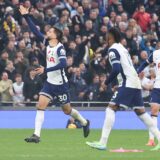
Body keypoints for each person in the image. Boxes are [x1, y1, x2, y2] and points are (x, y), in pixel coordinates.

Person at [19, 5, 90, 143]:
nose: (48, 32)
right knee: (40, 106)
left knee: (67, 110)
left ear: (56, 35)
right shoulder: (47, 43)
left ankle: (85, 122)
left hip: (61, 84)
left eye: (50, 31)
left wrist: (46, 70)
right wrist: (26, 16)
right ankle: (36, 135)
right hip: (49, 83)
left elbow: (63, 65)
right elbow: (35, 31)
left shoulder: (60, 48)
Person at [86, 27, 160, 151]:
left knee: (110, 108)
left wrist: (106, 82)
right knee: (141, 113)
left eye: (107, 35)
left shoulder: (113, 50)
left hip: (129, 83)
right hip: (134, 82)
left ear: (110, 36)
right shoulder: (122, 48)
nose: (105, 37)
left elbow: (116, 69)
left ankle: (102, 142)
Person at [137, 48, 160, 146]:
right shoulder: (155, 53)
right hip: (157, 86)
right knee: (154, 110)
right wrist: (137, 71)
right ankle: (151, 140)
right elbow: (145, 63)